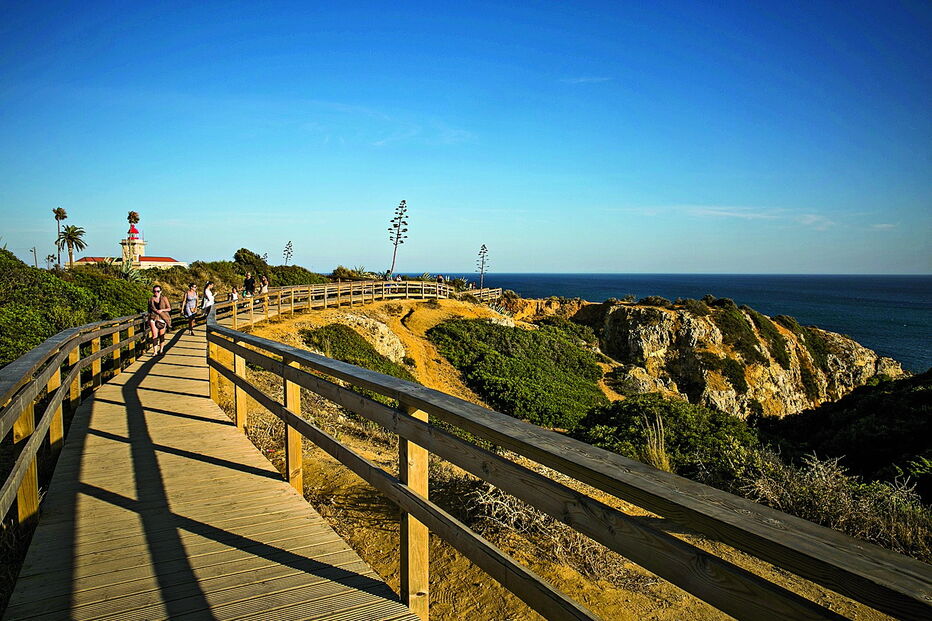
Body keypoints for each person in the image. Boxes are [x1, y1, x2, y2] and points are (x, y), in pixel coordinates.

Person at [147, 284, 171, 355]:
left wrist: (161, 310)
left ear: (161, 291)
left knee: (161, 334)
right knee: (154, 335)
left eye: (158, 291)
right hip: (153, 317)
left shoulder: (164, 298)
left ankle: (161, 350)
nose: (156, 293)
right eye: (154, 291)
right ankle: (155, 352)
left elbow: (169, 308)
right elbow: (149, 310)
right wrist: (149, 319)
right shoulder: (150, 299)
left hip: (162, 317)